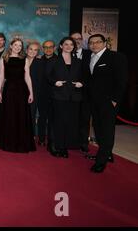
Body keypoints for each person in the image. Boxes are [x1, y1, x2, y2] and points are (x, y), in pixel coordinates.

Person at [86, 34, 127, 173]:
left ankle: (101, 161)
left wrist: (115, 100)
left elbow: (121, 81)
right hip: (94, 101)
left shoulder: (116, 57)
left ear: (104, 43)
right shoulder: (90, 57)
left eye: (97, 42)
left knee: (107, 130)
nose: (94, 45)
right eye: (91, 42)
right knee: (98, 128)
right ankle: (106, 154)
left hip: (108, 102)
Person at [46, 37, 84, 158]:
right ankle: (55, 145)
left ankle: (65, 146)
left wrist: (81, 83)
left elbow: (83, 77)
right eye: (66, 44)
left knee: (70, 122)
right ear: (61, 46)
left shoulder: (77, 61)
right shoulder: (54, 60)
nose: (68, 46)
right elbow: (47, 76)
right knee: (58, 122)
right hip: (59, 95)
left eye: (71, 44)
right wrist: (54, 82)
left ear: (74, 47)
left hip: (74, 97)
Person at [0, 38, 36, 153]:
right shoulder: (3, 59)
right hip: (8, 90)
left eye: (20, 45)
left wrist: (31, 92)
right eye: (16, 45)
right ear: (10, 46)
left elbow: (27, 77)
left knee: (21, 115)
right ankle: (9, 143)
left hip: (21, 90)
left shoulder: (25, 60)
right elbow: (1, 76)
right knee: (9, 115)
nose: (18, 47)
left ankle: (21, 142)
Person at [70, 32, 92, 153]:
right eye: (74, 39)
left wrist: (84, 83)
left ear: (82, 40)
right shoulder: (65, 54)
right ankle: (71, 140)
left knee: (84, 119)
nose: (77, 40)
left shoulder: (89, 54)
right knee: (70, 117)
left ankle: (83, 143)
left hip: (85, 93)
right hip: (68, 92)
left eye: (79, 38)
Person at [38, 40, 57, 150]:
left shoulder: (60, 60)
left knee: (53, 119)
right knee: (42, 117)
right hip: (42, 94)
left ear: (54, 48)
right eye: (45, 47)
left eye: (50, 47)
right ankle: (41, 138)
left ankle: (51, 140)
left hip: (55, 95)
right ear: (42, 48)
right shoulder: (39, 60)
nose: (48, 49)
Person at [26, 41, 44, 145]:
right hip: (20, 92)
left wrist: (32, 92)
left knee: (31, 114)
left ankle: (31, 135)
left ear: (38, 52)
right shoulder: (21, 60)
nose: (33, 51)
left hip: (34, 93)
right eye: (31, 49)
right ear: (27, 50)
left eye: (35, 50)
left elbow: (40, 80)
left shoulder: (40, 62)